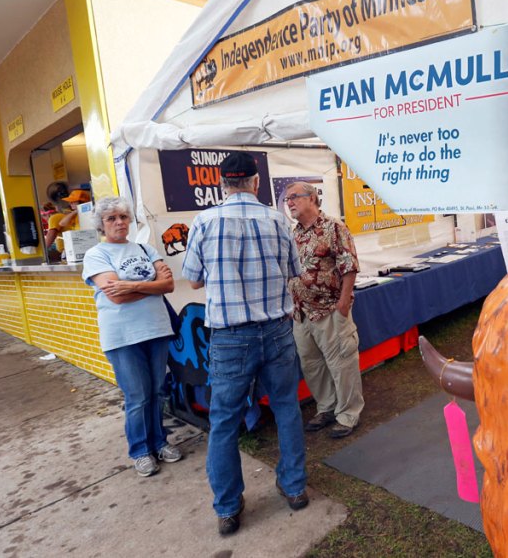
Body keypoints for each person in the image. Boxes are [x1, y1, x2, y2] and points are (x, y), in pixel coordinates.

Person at [181, 151, 309, 536]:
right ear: (255, 183)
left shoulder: (204, 221)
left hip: (231, 336)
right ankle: (295, 487)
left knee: (223, 422)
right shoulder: (277, 220)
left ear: (222, 184)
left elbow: (193, 280)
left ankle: (228, 508)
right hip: (276, 330)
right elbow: (294, 272)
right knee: (287, 408)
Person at [81, 196, 182, 477]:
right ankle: (140, 450)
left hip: (156, 329)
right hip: (123, 336)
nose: (119, 222)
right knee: (138, 396)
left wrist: (132, 285)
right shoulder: (96, 255)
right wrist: (152, 286)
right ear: (101, 225)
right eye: (111, 218)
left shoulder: (144, 248)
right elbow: (115, 297)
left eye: (123, 217)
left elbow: (169, 285)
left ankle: (159, 442)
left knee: (158, 391)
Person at [284, 182, 364, 439]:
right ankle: (327, 407)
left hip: (329, 310)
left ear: (311, 198)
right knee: (312, 365)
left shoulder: (334, 227)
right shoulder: (293, 233)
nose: (290, 203)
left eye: (294, 197)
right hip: (301, 313)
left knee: (342, 364)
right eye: (287, 200)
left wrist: (343, 304)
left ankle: (348, 414)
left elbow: (349, 266)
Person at [45, 189, 91, 253]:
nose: (70, 203)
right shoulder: (74, 214)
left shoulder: (90, 212)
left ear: (82, 202)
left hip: (88, 244)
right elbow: (62, 223)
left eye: (73, 201)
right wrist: (75, 212)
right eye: (70, 201)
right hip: (78, 246)